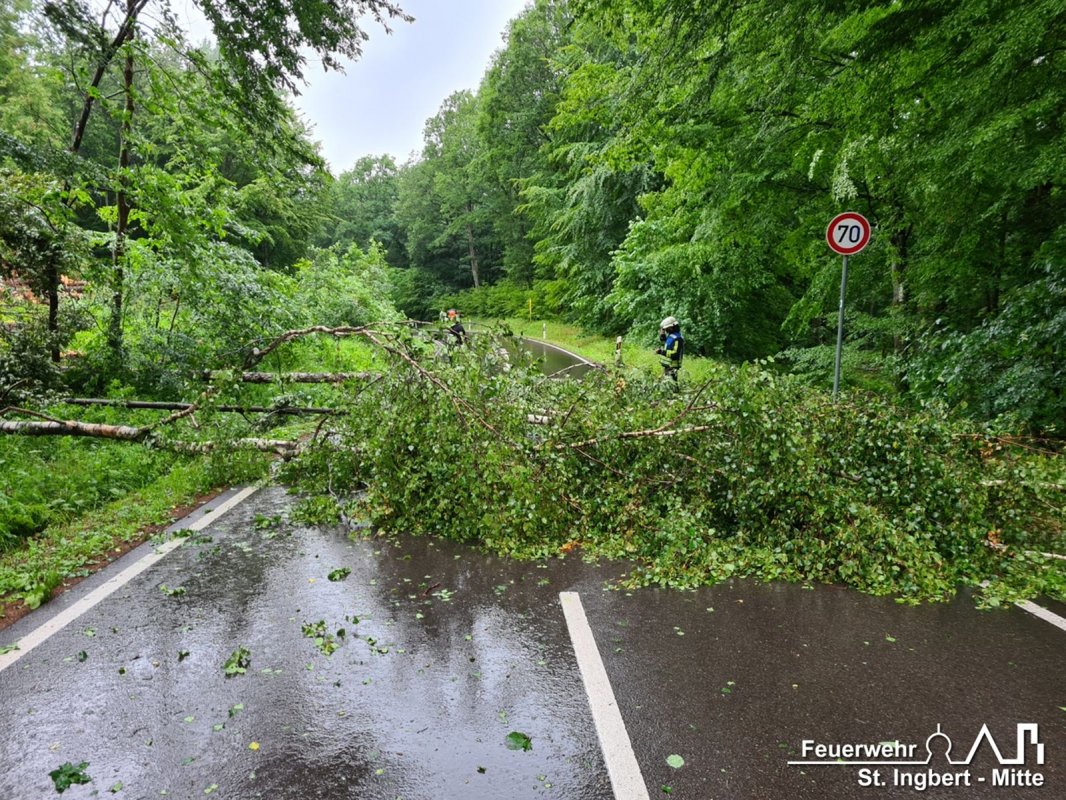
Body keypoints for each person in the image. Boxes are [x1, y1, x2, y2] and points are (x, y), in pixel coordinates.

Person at [655, 316, 684, 381]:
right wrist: (662, 336)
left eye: (666, 328)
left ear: (672, 327)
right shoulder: (671, 336)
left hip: (673, 366)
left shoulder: (678, 338)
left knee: (672, 385)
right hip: (668, 365)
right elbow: (668, 345)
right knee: (667, 384)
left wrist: (661, 352)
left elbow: (675, 354)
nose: (666, 330)